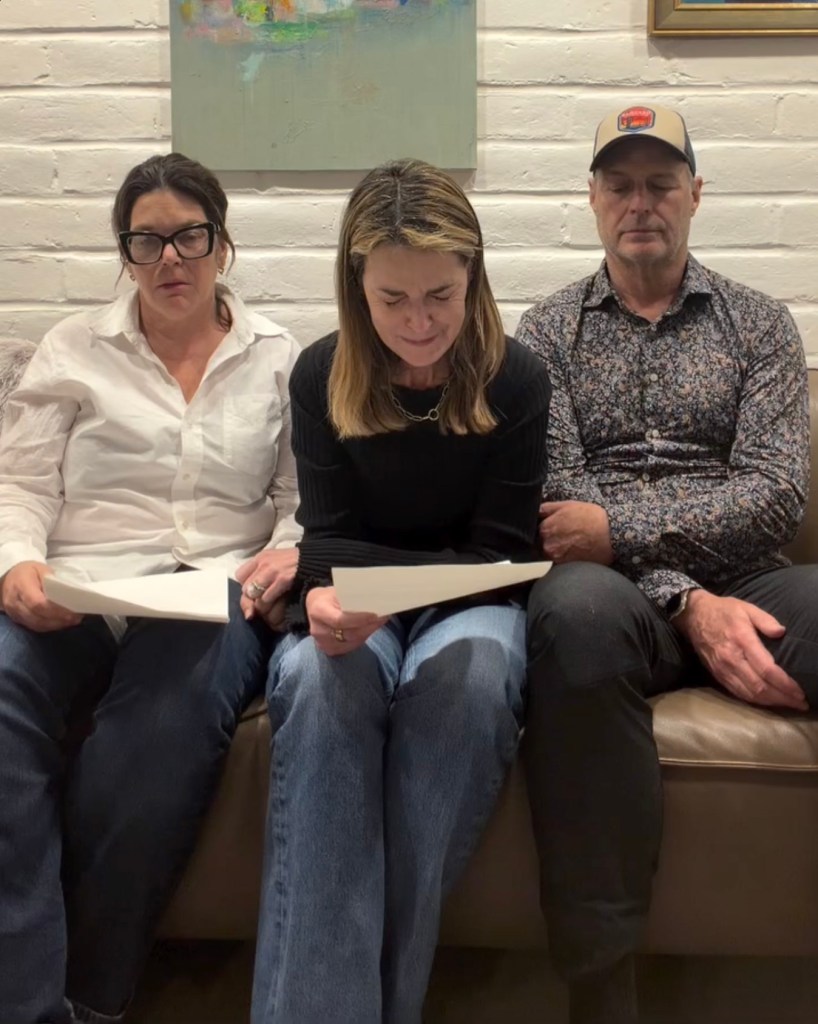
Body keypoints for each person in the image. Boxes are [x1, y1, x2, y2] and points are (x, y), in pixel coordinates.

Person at [516, 102, 818, 1024]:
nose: (639, 202)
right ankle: (602, 991)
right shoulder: (544, 334)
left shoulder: (761, 327)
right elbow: (563, 522)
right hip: (609, 597)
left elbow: (775, 495)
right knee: (571, 616)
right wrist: (682, 596)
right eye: (620, 184)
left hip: (754, 577)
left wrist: (631, 536)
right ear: (594, 199)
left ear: (695, 194)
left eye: (659, 183)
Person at [0, 152, 301, 1024]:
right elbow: (20, 485)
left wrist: (285, 552)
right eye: (146, 242)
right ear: (125, 253)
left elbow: (300, 504)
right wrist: (17, 565)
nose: (170, 259)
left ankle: (90, 997)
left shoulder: (280, 357)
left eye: (188, 237)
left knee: (157, 733)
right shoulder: (70, 350)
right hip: (81, 588)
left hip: (211, 595)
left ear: (223, 243)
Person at [249, 157, 551, 1024]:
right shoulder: (321, 375)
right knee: (313, 677)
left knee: (474, 676)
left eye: (441, 296)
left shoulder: (517, 379)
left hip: (475, 600)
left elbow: (498, 550)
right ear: (357, 289)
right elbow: (329, 533)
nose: (420, 324)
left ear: (474, 278)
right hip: (360, 593)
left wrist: (390, 594)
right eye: (392, 300)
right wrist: (321, 595)